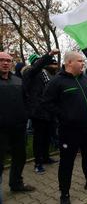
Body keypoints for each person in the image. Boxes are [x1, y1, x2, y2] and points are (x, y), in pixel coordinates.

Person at [42, 51, 87, 204]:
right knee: (67, 162)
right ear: (69, 63)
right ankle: (65, 194)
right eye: (80, 61)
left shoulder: (86, 79)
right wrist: (64, 115)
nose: (83, 64)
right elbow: (46, 103)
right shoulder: (56, 82)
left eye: (83, 61)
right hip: (69, 131)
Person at [0, 52, 35, 202]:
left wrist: (26, 115)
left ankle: (16, 183)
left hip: (18, 127)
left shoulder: (17, 80)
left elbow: (26, 99)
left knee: (20, 157)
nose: (5, 63)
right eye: (1, 60)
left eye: (8, 60)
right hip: (0, 131)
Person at [22, 50, 60, 174]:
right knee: (39, 138)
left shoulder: (45, 73)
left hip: (48, 110)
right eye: (38, 61)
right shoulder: (30, 72)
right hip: (37, 111)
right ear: (34, 63)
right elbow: (39, 65)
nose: (40, 63)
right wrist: (49, 54)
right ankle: (38, 163)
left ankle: (46, 157)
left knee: (48, 136)